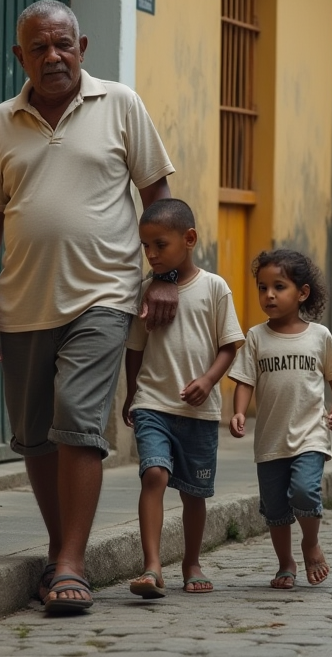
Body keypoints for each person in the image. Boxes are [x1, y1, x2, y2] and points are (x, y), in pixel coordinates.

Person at [0, 0, 178, 615]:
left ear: (82, 46)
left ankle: (72, 564)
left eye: (63, 44)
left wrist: (164, 275)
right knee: (35, 437)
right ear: (20, 57)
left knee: (77, 420)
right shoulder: (1, 122)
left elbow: (157, 195)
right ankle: (63, 550)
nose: (53, 56)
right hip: (24, 302)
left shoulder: (120, 105)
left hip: (105, 295)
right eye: (39, 47)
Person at [120, 199, 244, 599]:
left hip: (199, 411)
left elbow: (230, 345)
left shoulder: (214, 288)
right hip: (153, 403)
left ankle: (192, 562)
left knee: (194, 494)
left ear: (189, 239)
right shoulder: (146, 292)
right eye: (146, 247)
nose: (152, 255)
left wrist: (209, 381)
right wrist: (131, 392)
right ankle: (152, 566)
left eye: (160, 244)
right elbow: (135, 348)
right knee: (154, 475)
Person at [228, 249, 332, 590]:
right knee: (276, 510)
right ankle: (285, 564)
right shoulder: (255, 337)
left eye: (279, 287)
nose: (269, 295)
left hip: (310, 434)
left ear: (302, 293)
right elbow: (244, 381)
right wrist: (239, 411)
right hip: (270, 440)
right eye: (262, 287)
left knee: (304, 491)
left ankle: (310, 543)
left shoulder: (319, 336)